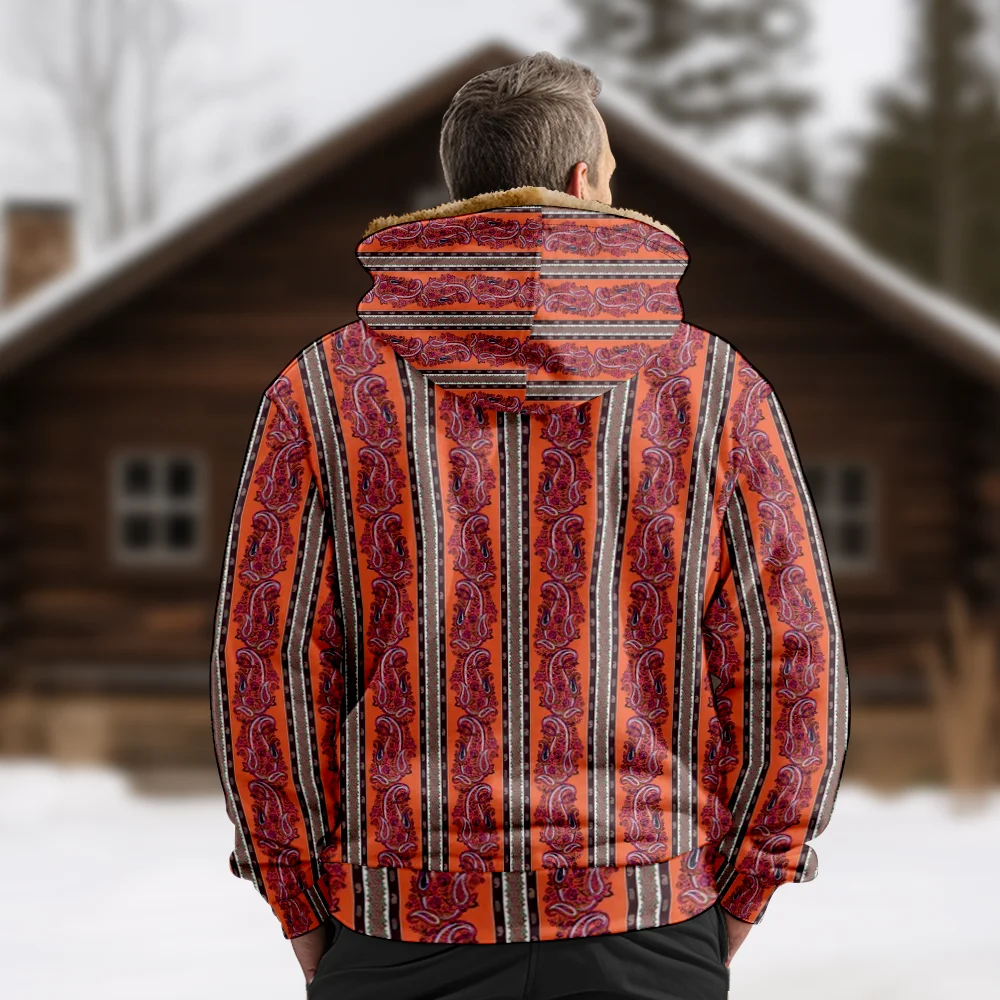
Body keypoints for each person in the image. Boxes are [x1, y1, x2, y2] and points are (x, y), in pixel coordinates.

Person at [210, 50, 850, 1000]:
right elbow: (794, 663)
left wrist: (305, 915)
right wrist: (736, 901)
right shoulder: (717, 393)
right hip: (648, 917)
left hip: (397, 925)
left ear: (458, 194)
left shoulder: (323, 393)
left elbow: (264, 672)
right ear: (586, 183)